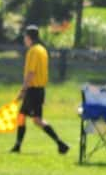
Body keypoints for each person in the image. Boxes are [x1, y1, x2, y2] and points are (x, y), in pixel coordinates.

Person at [10, 25, 69, 154]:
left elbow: (31, 73)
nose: (24, 40)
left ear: (28, 37)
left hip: (33, 89)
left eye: (25, 37)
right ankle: (60, 144)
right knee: (29, 117)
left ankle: (59, 143)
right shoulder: (42, 49)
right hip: (40, 89)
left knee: (31, 118)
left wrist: (23, 90)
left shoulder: (33, 51)